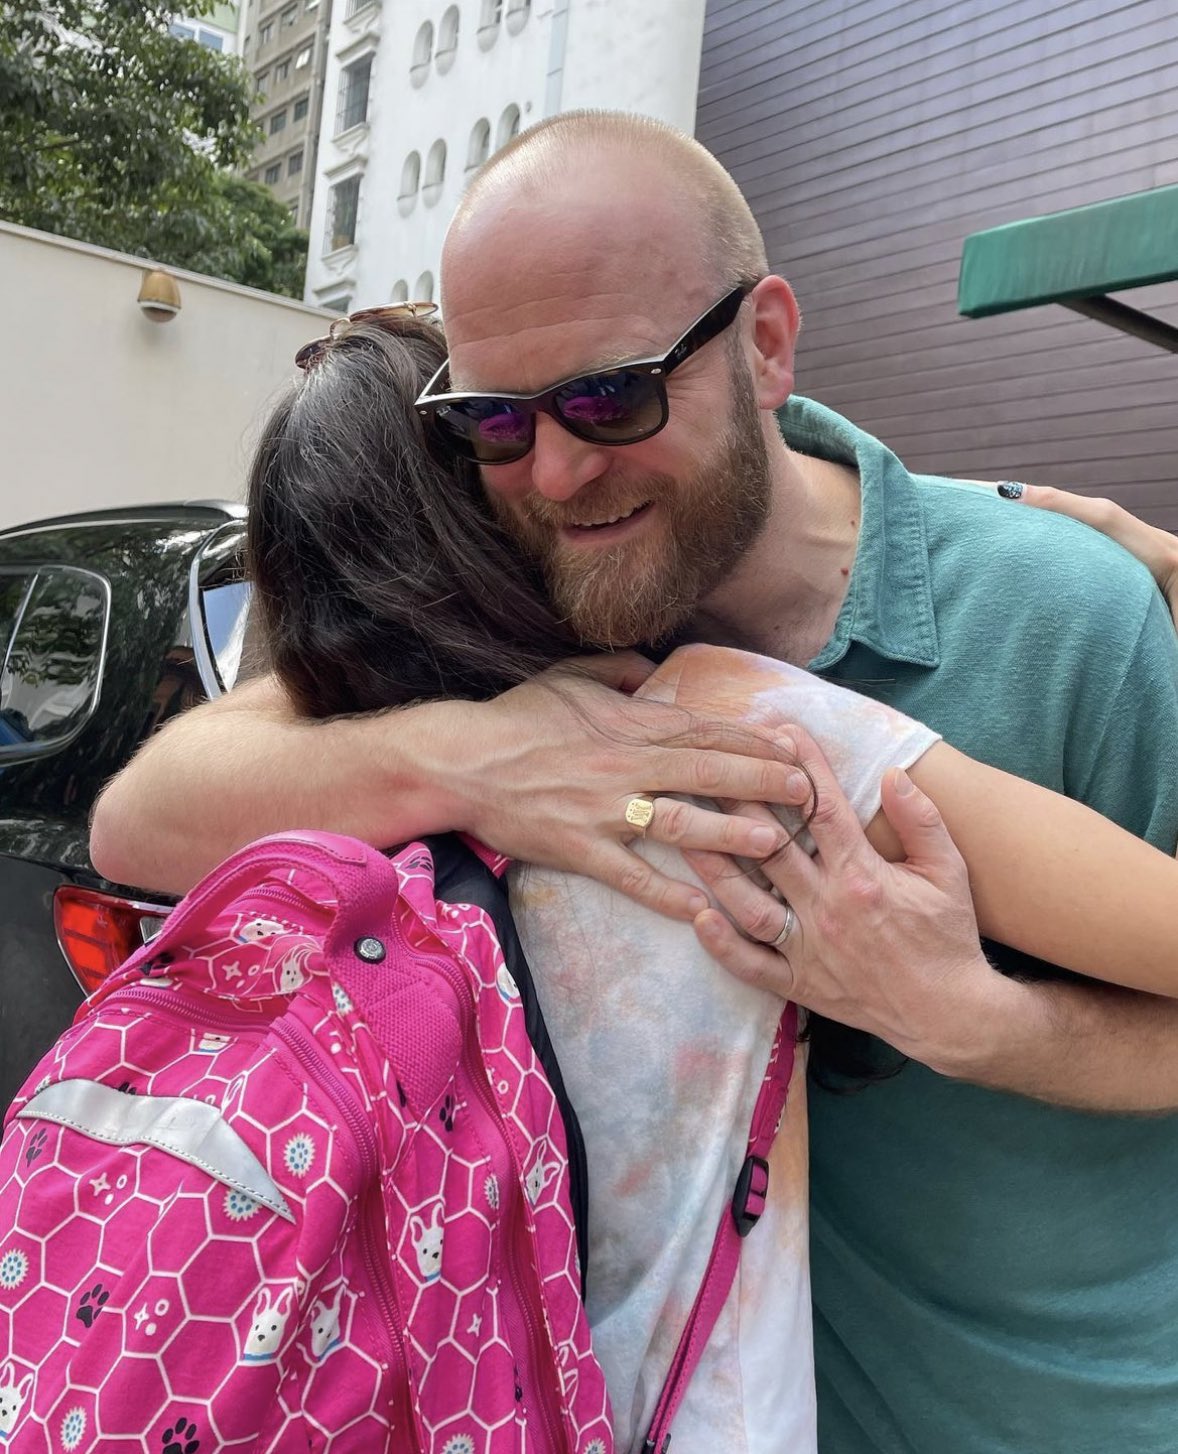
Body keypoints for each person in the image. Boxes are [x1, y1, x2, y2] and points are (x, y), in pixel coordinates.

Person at [90, 111, 1178, 1454]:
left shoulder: (1056, 606)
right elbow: (141, 812)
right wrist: (482, 762)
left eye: (612, 398)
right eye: (492, 422)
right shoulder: (537, 626)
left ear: (767, 344)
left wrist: (984, 1021)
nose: (553, 469)